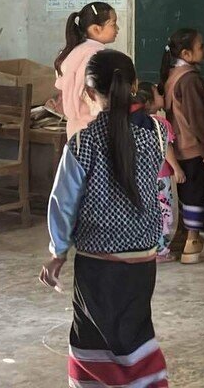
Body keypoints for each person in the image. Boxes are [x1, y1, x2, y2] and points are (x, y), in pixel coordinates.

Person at [41, 50, 168, 388]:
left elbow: (63, 204)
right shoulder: (157, 134)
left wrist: (58, 252)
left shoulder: (82, 144)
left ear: (88, 92)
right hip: (143, 257)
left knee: (92, 337)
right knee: (134, 329)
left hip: (99, 260)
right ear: (135, 85)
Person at [160, 28, 204, 264]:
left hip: (181, 147)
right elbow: (198, 117)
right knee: (197, 193)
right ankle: (192, 243)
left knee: (188, 193)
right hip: (194, 147)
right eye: (200, 47)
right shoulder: (189, 79)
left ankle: (187, 237)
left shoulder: (173, 74)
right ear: (186, 53)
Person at [132, 82, 183, 262]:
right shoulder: (160, 123)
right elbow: (166, 148)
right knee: (164, 212)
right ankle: (160, 251)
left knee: (146, 211)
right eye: (158, 94)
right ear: (149, 102)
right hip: (160, 177)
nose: (162, 95)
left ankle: (146, 248)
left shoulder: (134, 123)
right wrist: (177, 168)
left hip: (142, 176)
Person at [53, 1, 118, 138]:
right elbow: (93, 95)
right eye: (113, 24)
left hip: (74, 128)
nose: (117, 28)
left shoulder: (73, 52)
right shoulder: (98, 55)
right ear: (96, 29)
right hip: (95, 128)